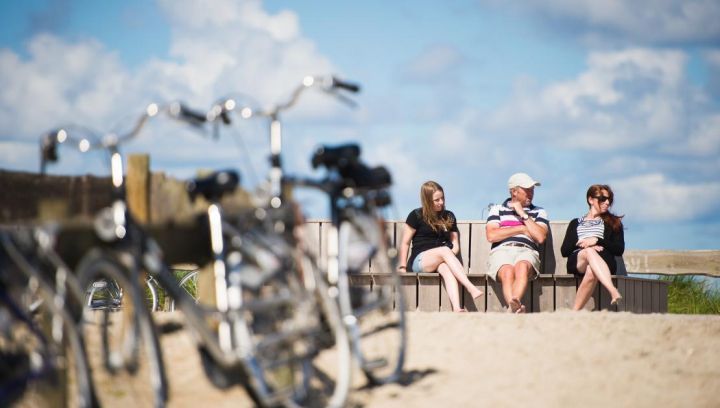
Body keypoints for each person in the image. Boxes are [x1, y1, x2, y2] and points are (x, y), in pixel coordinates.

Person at [398, 181, 483, 312]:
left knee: (446, 269)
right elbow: (405, 242)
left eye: (442, 198)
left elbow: (455, 245)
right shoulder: (416, 215)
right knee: (444, 250)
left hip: (442, 258)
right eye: (436, 200)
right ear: (426, 200)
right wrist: (402, 267)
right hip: (420, 260)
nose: (441, 202)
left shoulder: (448, 216)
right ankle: (470, 287)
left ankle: (456, 308)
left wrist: (448, 256)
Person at [486, 173, 549, 313]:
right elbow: (491, 235)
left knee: (521, 268)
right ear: (514, 191)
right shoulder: (498, 209)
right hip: (502, 250)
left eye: (532, 190)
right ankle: (515, 308)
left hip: (527, 250)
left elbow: (540, 237)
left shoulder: (539, 211)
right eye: (527, 190)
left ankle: (511, 310)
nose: (531, 194)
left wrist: (523, 214)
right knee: (507, 271)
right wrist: (521, 228)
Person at [561, 184, 624, 310]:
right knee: (589, 252)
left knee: (591, 271)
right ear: (591, 200)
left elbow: (619, 249)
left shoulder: (613, 222)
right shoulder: (576, 223)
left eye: (609, 200)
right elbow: (565, 251)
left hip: (604, 260)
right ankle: (612, 290)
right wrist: (584, 244)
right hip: (579, 260)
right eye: (603, 199)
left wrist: (597, 240)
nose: (607, 203)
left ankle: (574, 312)